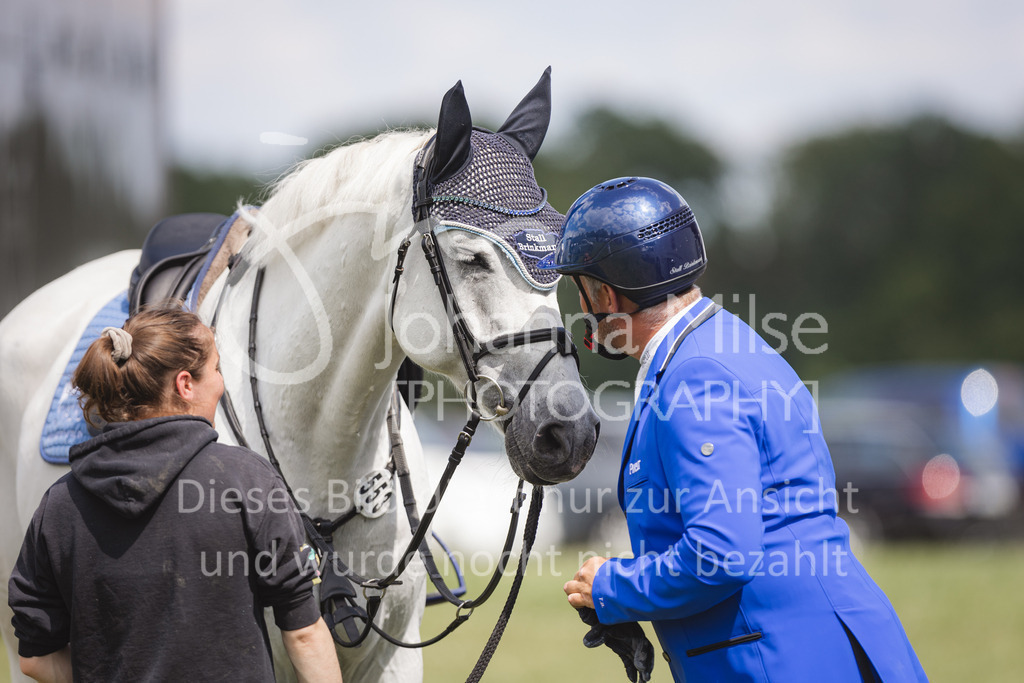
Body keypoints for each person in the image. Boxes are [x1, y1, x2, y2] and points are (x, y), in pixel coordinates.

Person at [540, 177, 928, 682]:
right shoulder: (725, 343)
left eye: (581, 289)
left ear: (605, 295)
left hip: (783, 662)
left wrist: (614, 587)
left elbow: (722, 552)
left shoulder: (695, 376)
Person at [8, 307, 342, 683]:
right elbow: (304, 633)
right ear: (185, 384)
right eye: (216, 369)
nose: (221, 382)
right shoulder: (249, 479)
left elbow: (35, 660)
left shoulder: (58, 505)